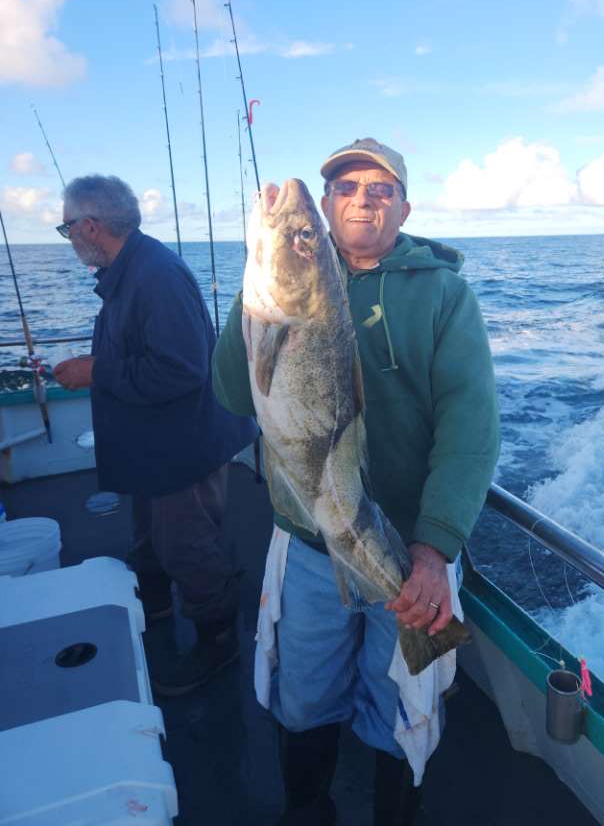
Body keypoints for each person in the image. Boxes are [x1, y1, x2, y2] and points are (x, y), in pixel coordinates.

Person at [212, 138, 500, 824]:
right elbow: (231, 391)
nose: (361, 201)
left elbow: (472, 427)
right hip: (306, 539)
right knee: (302, 695)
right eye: (344, 189)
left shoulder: (445, 294)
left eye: (380, 190)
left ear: (404, 205)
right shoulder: (284, 293)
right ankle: (307, 811)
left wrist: (434, 552)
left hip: (408, 550)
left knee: (401, 703)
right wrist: (255, 298)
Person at [54, 174, 257, 696]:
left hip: (182, 447)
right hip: (157, 445)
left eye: (66, 227)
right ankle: (157, 603)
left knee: (188, 544)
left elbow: (182, 369)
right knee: (150, 536)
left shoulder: (156, 276)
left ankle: (219, 640)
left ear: (91, 227)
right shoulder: (131, 269)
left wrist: (95, 371)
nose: (68, 236)